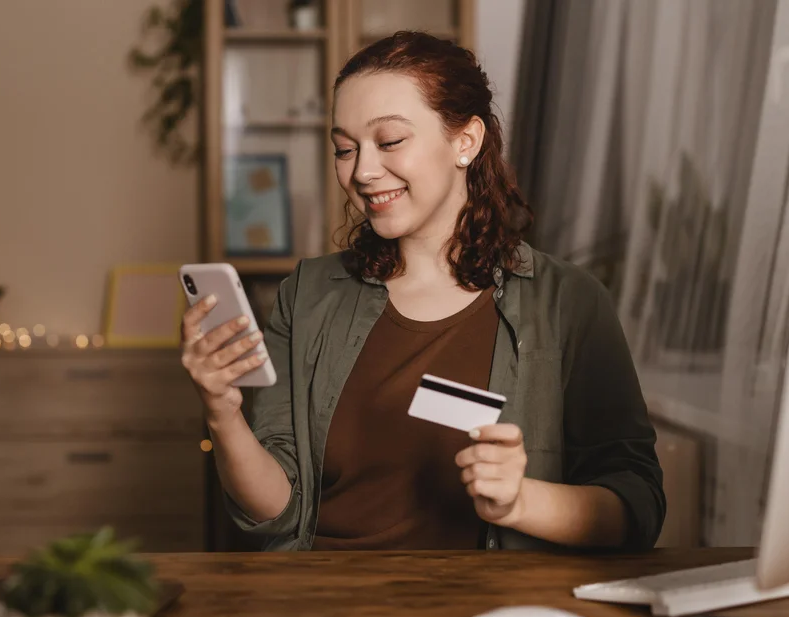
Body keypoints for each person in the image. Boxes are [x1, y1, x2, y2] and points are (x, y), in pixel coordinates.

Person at [180, 31, 665, 552]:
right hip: (324, 612)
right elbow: (279, 512)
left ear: (466, 141)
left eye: (389, 142)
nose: (362, 171)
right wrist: (222, 412)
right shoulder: (308, 295)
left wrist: (522, 502)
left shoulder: (567, 303)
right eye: (345, 148)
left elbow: (636, 506)